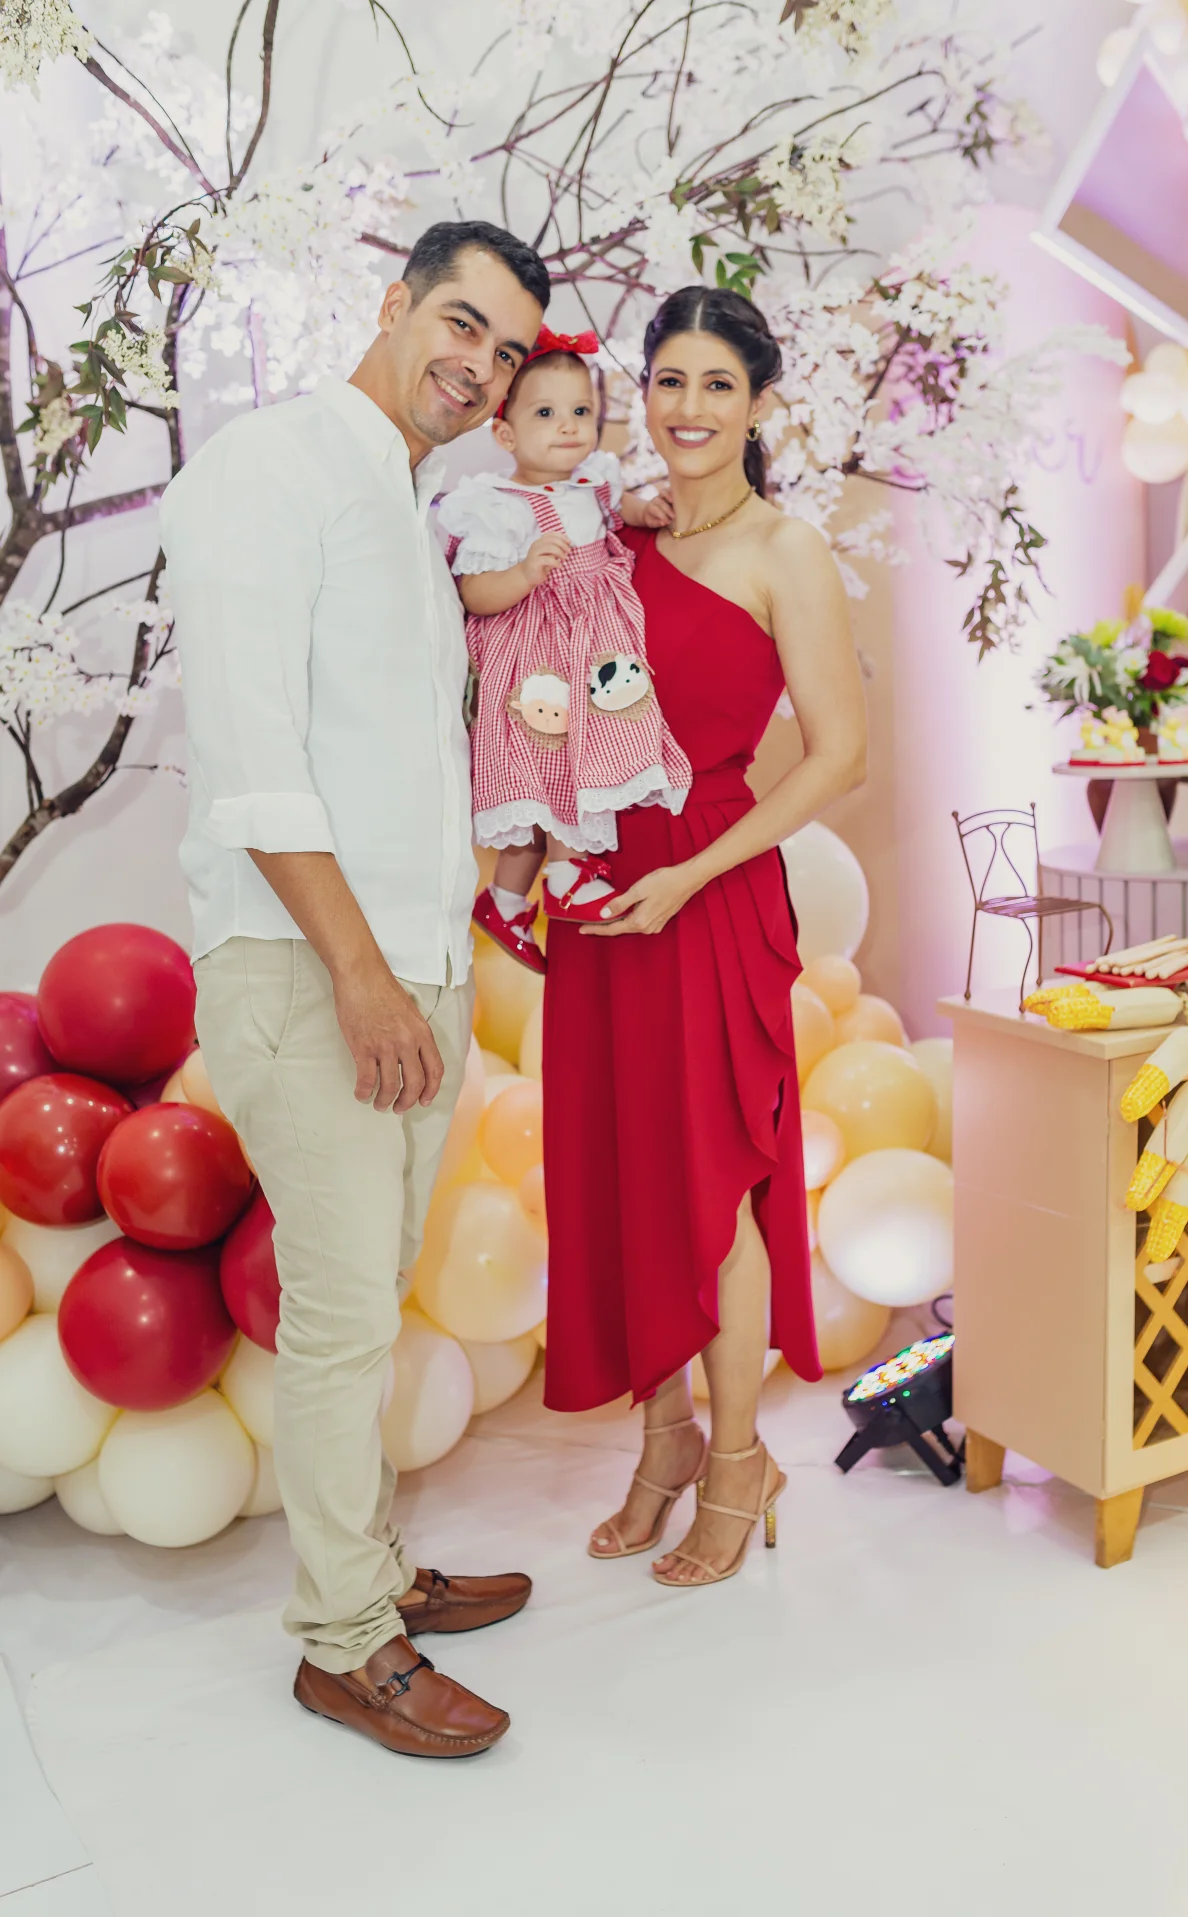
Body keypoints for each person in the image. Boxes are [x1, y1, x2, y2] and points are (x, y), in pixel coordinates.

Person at [160, 222, 548, 1759]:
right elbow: (255, 757)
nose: (479, 365)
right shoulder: (271, 467)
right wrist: (366, 975)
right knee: (336, 1314)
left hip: (413, 968)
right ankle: (343, 1641)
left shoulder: (408, 503)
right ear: (393, 306)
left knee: (369, 1299)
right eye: (460, 323)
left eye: (507, 351)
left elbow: (399, 761)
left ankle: (371, 1569)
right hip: (317, 968)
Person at [541, 285, 868, 1587]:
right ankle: (665, 1438)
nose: (687, 408)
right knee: (624, 1174)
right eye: (667, 381)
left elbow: (838, 754)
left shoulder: (785, 551)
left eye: (716, 384)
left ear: (760, 401)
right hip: (606, 885)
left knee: (711, 1186)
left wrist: (690, 877)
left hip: (709, 885)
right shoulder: (614, 534)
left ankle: (740, 1459)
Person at [436, 325, 690, 971]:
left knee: (585, 763)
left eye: (581, 410)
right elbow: (473, 594)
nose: (569, 426)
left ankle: (507, 901)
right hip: (538, 663)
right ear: (506, 434)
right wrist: (523, 573)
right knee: (550, 771)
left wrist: (647, 511)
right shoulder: (497, 506)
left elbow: (619, 511)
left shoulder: (595, 483)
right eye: (546, 414)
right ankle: (560, 877)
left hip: (595, 655)